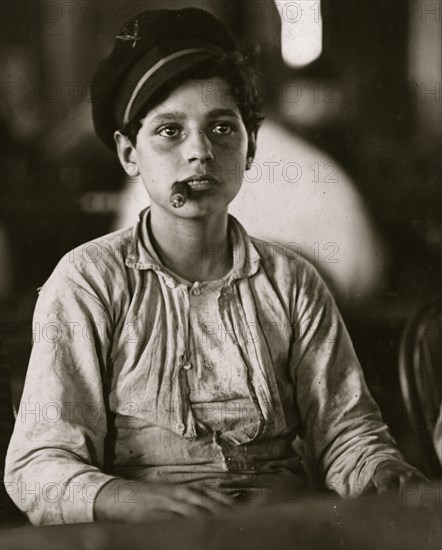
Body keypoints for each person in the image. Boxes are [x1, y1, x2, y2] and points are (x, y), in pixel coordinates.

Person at [5, 8, 426, 526]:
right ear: (128, 154)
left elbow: (346, 436)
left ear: (250, 148)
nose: (200, 152)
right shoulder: (88, 283)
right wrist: (135, 500)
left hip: (276, 530)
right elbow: (37, 467)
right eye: (169, 131)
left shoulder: (292, 283)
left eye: (223, 127)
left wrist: (380, 470)